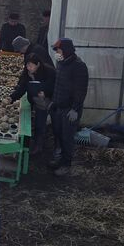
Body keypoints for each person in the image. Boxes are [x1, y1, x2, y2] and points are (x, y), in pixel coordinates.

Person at [49, 38, 89, 177]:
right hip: (59, 106)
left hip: (69, 109)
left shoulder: (78, 66)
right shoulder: (61, 63)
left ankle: (66, 164)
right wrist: (54, 101)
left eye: (58, 50)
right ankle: (60, 160)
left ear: (66, 50)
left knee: (67, 137)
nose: (57, 53)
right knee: (58, 134)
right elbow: (58, 84)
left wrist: (75, 109)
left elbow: (81, 90)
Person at [10, 53, 55, 155]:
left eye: (31, 66)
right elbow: (22, 87)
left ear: (38, 64)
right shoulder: (27, 73)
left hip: (45, 101)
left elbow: (54, 87)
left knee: (40, 123)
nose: (28, 68)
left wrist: (46, 93)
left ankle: (38, 146)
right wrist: (12, 98)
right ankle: (31, 142)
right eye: (27, 65)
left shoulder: (49, 72)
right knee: (36, 121)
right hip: (34, 99)